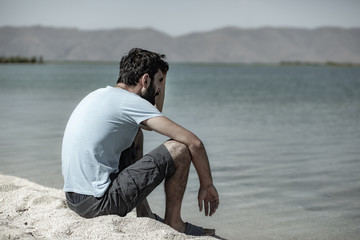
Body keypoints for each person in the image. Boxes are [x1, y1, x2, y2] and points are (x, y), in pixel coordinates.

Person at [61, 48, 219, 236]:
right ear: (145, 80)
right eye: (159, 81)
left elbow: (152, 118)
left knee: (135, 134)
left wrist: (160, 79)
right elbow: (194, 143)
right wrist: (207, 186)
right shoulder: (129, 102)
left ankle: (143, 211)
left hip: (75, 199)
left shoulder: (100, 95)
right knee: (180, 148)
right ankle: (174, 222)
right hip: (98, 203)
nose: (160, 89)